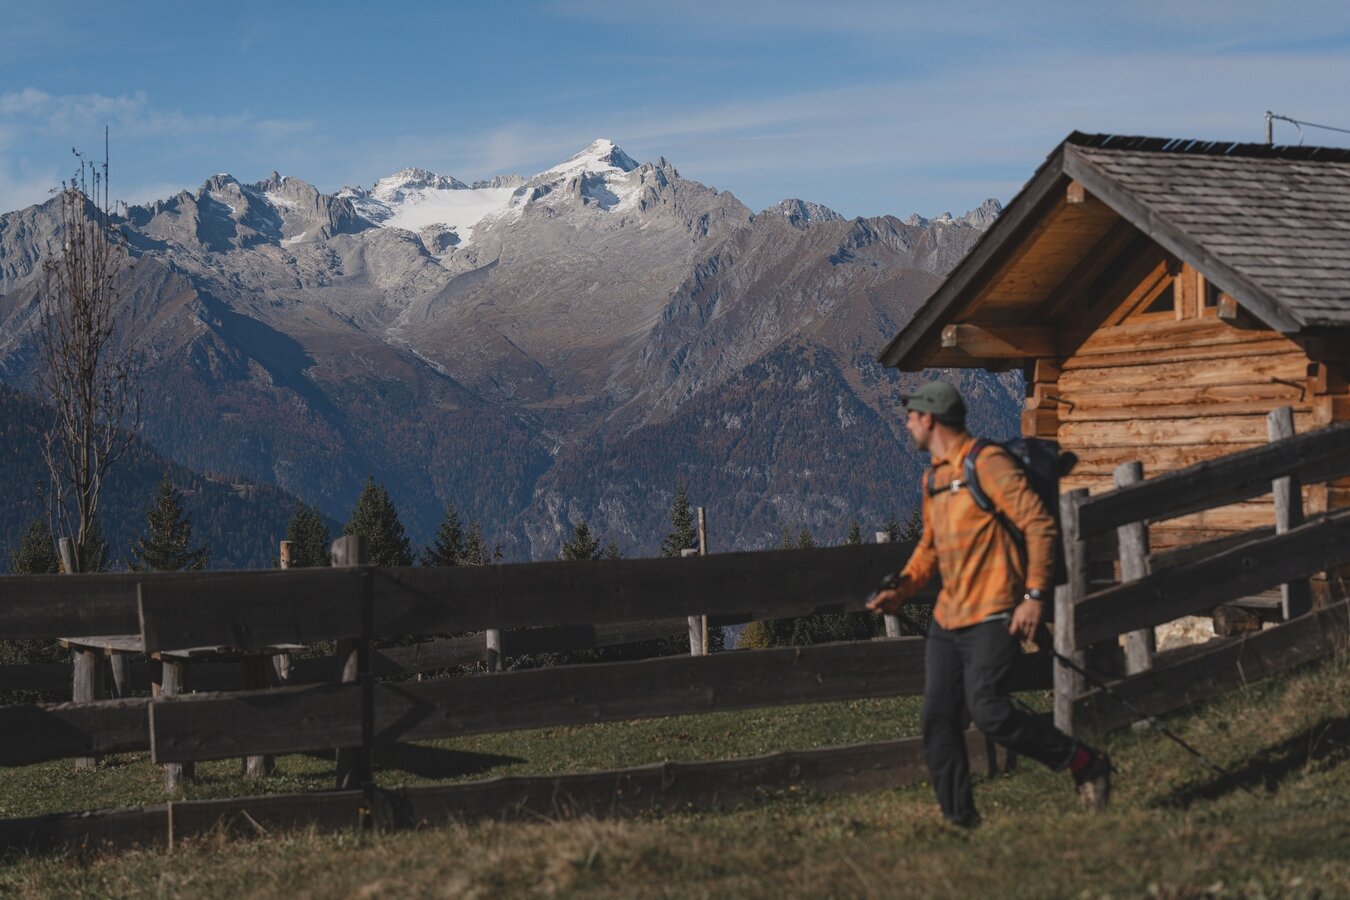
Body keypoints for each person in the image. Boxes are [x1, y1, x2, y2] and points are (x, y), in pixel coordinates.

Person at [867, 380, 1111, 827]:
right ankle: (959, 821)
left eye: (911, 416)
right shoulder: (935, 477)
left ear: (930, 419)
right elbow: (930, 548)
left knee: (989, 711)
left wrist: (1034, 596)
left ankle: (1084, 763)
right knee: (938, 717)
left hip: (995, 611)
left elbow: (1038, 525)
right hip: (948, 616)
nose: (906, 425)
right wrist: (900, 591)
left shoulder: (989, 464)